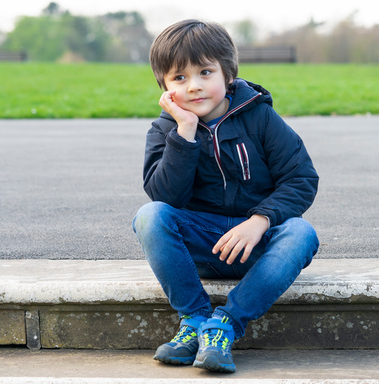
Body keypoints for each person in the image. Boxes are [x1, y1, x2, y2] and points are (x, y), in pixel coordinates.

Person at [132, 19, 319, 373]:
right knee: (149, 216)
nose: (194, 87)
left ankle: (224, 326)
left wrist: (259, 221)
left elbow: (301, 177)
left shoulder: (260, 117)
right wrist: (184, 133)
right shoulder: (164, 131)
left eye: (205, 72)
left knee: (301, 234)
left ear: (228, 74)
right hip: (202, 246)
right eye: (180, 78)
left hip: (256, 244)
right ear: (165, 87)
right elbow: (165, 197)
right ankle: (195, 319)